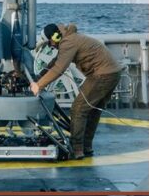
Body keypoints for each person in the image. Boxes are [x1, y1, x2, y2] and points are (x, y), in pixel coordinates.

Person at [31, 23, 121, 160]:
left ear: (54, 37)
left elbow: (58, 69)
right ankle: (86, 147)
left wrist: (39, 85)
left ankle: (76, 149)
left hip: (102, 75)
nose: (50, 47)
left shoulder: (67, 42)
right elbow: (56, 61)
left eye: (49, 44)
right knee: (92, 110)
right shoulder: (69, 38)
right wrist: (39, 76)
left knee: (79, 108)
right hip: (112, 73)